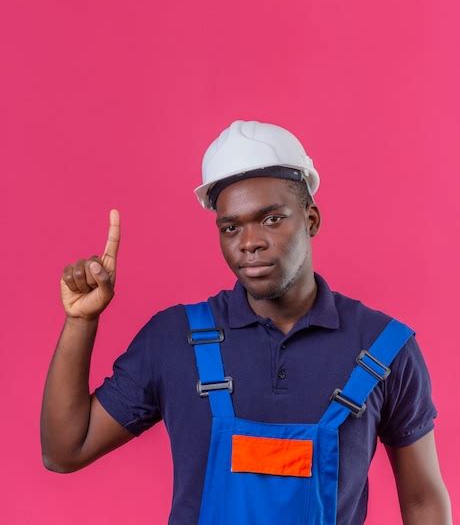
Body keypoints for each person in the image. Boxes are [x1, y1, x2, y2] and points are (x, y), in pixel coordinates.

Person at [41, 120, 452, 524]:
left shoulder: (384, 348)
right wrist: (81, 321)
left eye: (271, 218)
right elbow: (65, 451)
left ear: (311, 219)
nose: (250, 242)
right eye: (231, 227)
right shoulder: (174, 340)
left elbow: (423, 503)